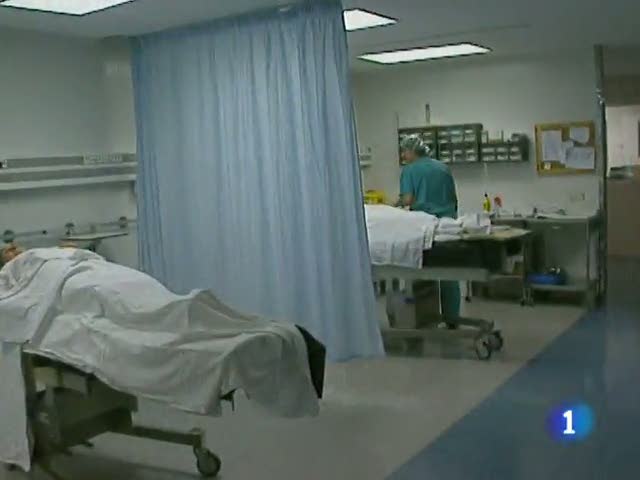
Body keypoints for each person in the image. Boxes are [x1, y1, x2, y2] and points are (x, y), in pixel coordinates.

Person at [398, 135, 461, 323]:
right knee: (450, 274)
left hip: (424, 227)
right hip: (448, 226)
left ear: (412, 151)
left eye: (404, 151)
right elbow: (453, 198)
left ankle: (425, 317)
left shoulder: (409, 170)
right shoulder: (443, 168)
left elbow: (407, 200)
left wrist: (393, 205)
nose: (403, 155)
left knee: (424, 273)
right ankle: (452, 318)